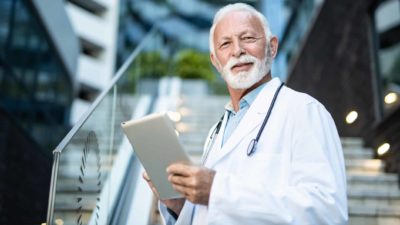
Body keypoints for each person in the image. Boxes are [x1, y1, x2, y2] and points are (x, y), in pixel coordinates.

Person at [143, 3, 348, 225]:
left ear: (272, 47)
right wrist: (179, 205)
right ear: (215, 61)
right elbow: (212, 213)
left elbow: (327, 212)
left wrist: (217, 189)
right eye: (225, 44)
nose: (237, 50)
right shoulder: (216, 131)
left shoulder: (304, 110)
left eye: (248, 38)